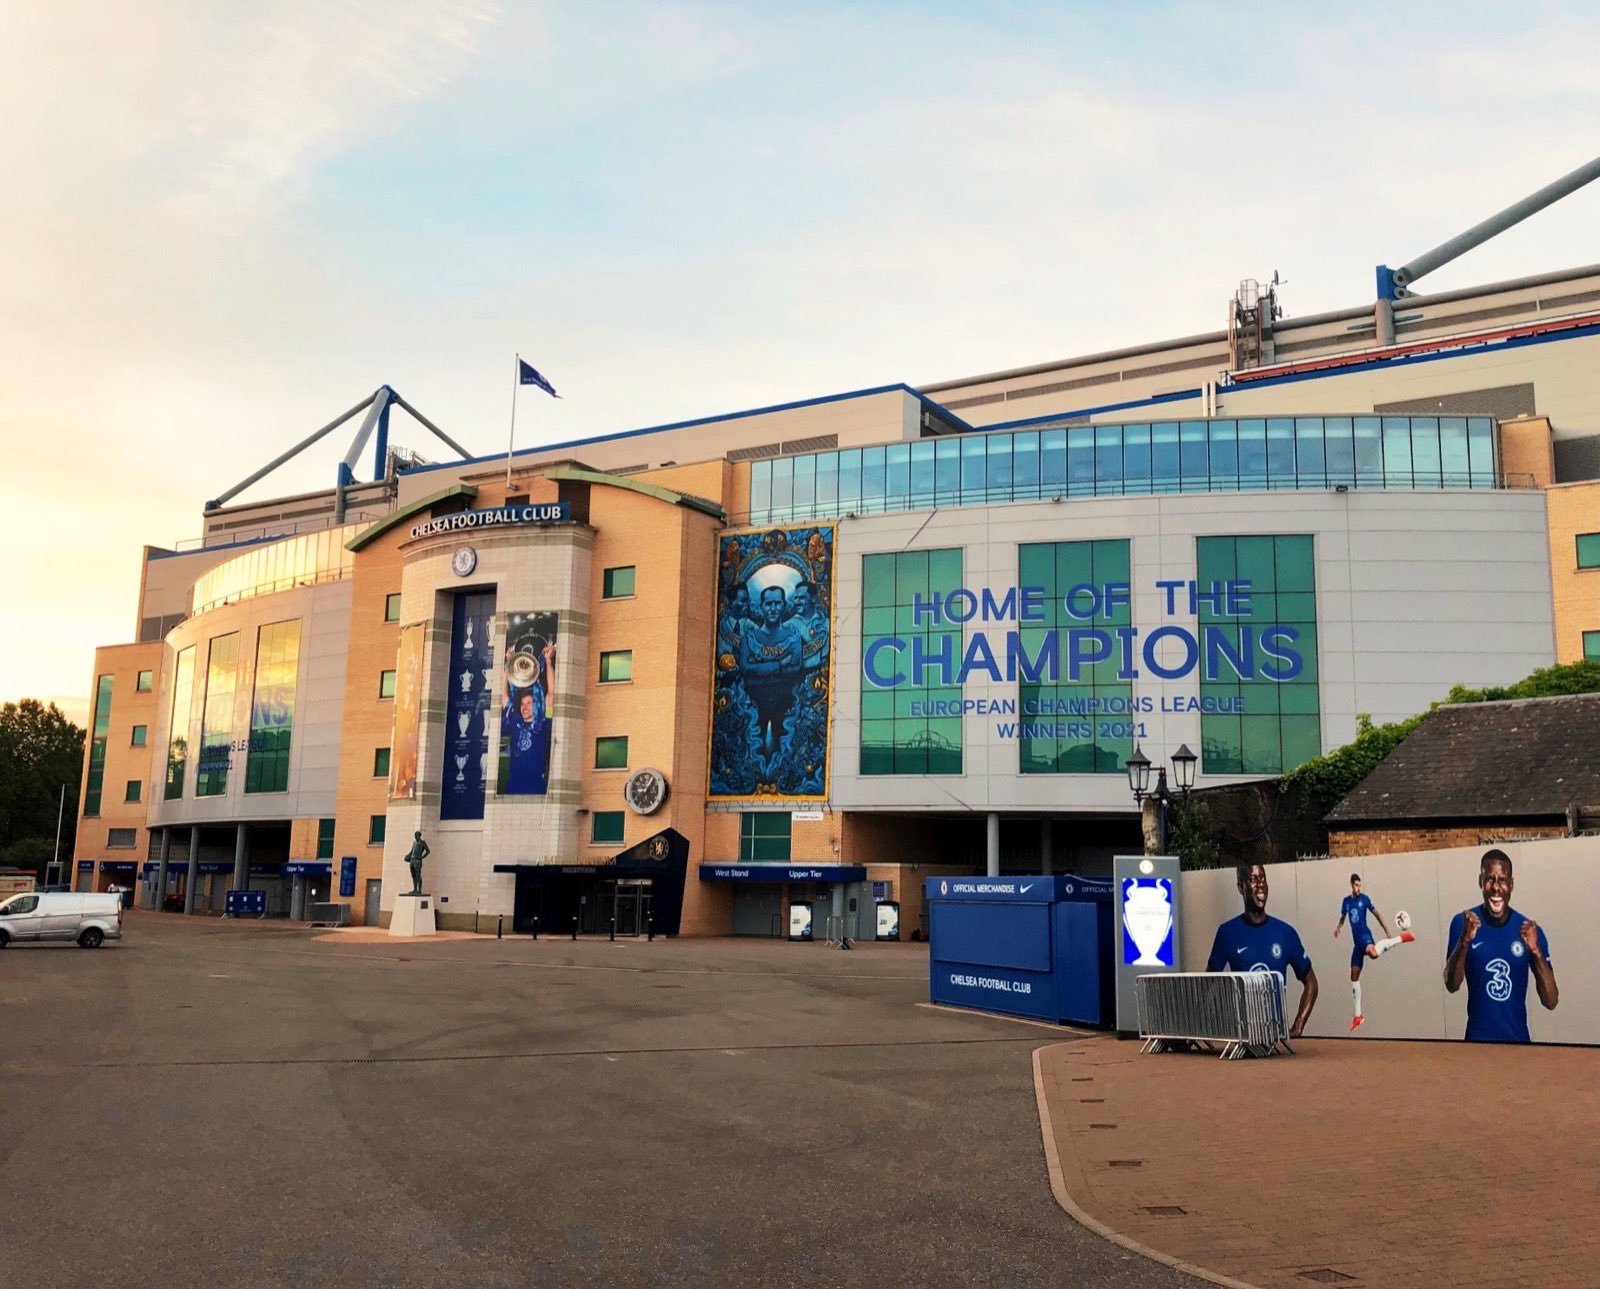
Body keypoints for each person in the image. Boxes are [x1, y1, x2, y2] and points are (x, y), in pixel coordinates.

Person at [1444, 849, 1557, 1043]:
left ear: (1511, 885)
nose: (1496, 887)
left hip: (1518, 1045)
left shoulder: (1528, 930)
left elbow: (1551, 1001)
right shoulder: (1463, 923)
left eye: (1503, 880)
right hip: (1477, 1046)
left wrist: (1536, 952)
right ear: (1481, 882)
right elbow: (1451, 985)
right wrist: (1464, 942)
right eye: (1490, 879)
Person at [1206, 863, 1319, 1039]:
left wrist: (1298, 1024)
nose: (1260, 884)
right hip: (1241, 1037)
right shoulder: (1227, 932)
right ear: (1240, 888)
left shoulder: (1286, 933)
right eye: (1253, 879)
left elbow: (1311, 983)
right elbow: (1207, 984)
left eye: (1263, 879)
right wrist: (1213, 1024)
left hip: (1274, 1037)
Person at [1334, 873, 1414, 1031]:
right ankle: (1358, 1016)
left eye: (1359, 885)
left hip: (1364, 935)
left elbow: (1378, 915)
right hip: (1356, 943)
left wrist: (1388, 933)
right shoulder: (1346, 902)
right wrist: (1339, 927)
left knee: (1373, 953)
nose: (1358, 888)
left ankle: (1400, 938)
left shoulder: (1364, 899)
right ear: (1351, 885)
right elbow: (1343, 916)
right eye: (1356, 885)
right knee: (1354, 977)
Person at [738, 585, 804, 755]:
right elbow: (745, 667)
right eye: (768, 604)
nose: (773, 608)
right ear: (761, 606)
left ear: (784, 605)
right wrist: (780, 664)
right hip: (754, 705)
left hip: (786, 704)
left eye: (777, 603)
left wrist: (759, 669)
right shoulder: (749, 638)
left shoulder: (793, 637)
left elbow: (795, 667)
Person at [501, 642, 556, 795]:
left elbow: (551, 694)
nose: (524, 706)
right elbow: (504, 695)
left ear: (536, 704)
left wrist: (548, 661)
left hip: (535, 784)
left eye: (529, 703)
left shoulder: (544, 722)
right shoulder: (515, 720)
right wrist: (509, 664)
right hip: (514, 783)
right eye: (523, 703)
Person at [405, 831, 430, 896]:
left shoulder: (422, 842)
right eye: (415, 836)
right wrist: (407, 856)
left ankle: (419, 890)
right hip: (412, 860)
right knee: (413, 875)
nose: (416, 837)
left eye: (417, 835)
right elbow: (411, 851)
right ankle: (415, 889)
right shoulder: (414, 843)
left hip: (418, 861)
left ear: (419, 836)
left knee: (418, 875)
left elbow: (428, 851)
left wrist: (422, 857)